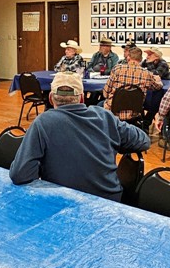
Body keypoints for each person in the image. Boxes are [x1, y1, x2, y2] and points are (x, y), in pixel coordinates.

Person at [9, 72, 150, 202]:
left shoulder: (43, 122)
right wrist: (113, 143)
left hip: (63, 203)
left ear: (51, 99)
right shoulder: (105, 116)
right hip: (108, 202)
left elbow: (20, 174)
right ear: (82, 98)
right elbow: (143, 141)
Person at [103, 47, 162, 122]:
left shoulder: (117, 69)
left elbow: (105, 93)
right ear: (140, 59)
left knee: (98, 104)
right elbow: (157, 87)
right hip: (135, 112)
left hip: (113, 111)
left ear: (128, 57)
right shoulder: (146, 74)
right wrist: (158, 80)